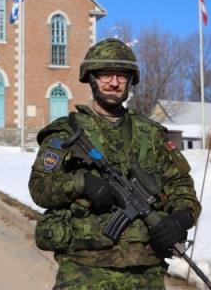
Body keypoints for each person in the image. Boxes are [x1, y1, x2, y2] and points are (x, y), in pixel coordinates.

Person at [29, 38, 201, 290]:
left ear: (131, 80)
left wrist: (179, 220)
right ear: (91, 78)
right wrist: (80, 183)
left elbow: (182, 187)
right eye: (105, 75)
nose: (114, 82)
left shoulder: (152, 135)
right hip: (84, 271)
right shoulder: (66, 133)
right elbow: (39, 188)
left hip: (146, 272)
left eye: (121, 75)